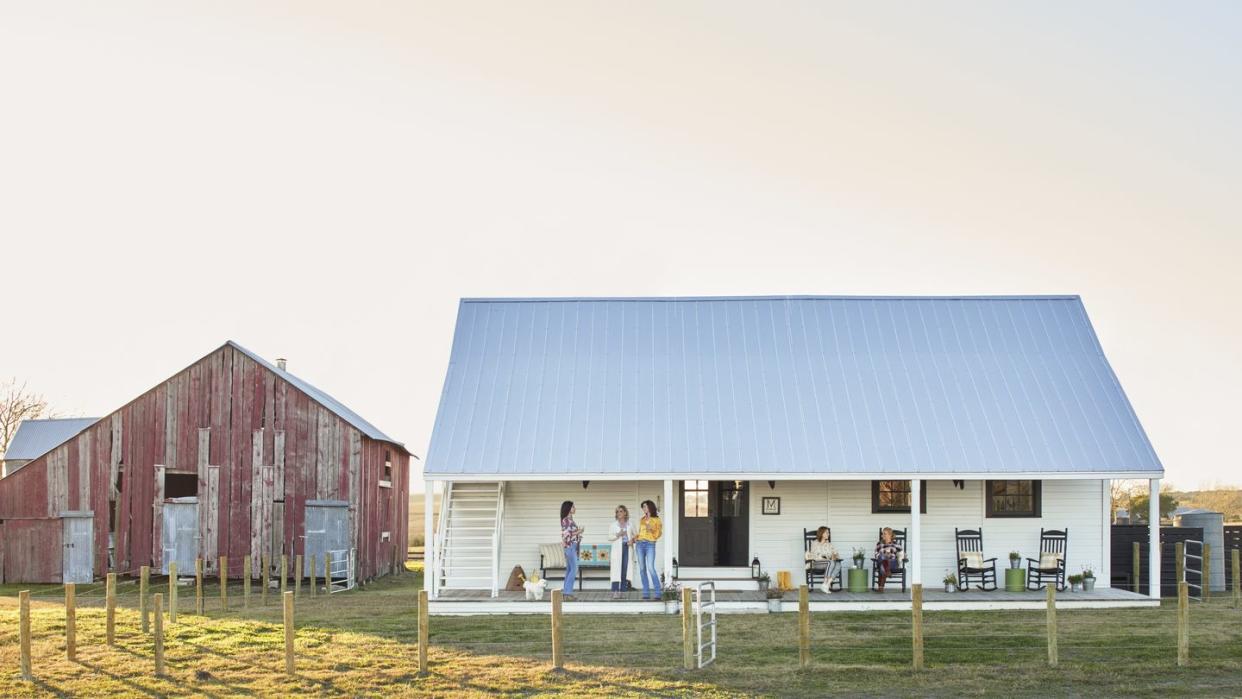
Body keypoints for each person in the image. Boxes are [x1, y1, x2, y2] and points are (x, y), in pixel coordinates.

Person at [608, 505, 637, 599]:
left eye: (621, 511)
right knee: (616, 570)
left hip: (627, 548)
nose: (619, 513)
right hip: (617, 549)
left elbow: (636, 536)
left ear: (625, 512)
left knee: (625, 570)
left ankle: (623, 592)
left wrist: (631, 541)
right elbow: (609, 537)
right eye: (617, 512)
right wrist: (618, 534)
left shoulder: (630, 524)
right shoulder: (613, 525)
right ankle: (614, 591)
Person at [635, 500, 662, 600]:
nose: (644, 509)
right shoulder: (642, 519)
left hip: (650, 544)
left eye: (645, 507)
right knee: (642, 569)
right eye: (643, 507)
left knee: (651, 568)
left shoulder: (656, 520)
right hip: (639, 544)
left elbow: (658, 534)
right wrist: (634, 539)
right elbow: (640, 533)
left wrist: (650, 528)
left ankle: (658, 593)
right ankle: (645, 593)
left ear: (650, 507)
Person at [805, 526, 842, 594]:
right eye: (827, 533)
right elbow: (813, 555)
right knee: (831, 562)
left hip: (828, 563)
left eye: (828, 533)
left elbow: (836, 553)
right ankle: (825, 583)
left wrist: (835, 556)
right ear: (822, 533)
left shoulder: (829, 544)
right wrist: (823, 557)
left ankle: (827, 584)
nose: (828, 534)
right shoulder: (815, 543)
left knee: (838, 564)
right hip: (816, 563)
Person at [560, 500, 583, 600]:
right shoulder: (566, 520)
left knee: (569, 570)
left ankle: (566, 594)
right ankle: (567, 593)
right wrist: (579, 531)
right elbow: (566, 535)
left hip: (572, 546)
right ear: (569, 508)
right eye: (573, 507)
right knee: (574, 569)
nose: (575, 508)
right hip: (569, 547)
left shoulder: (570, 520)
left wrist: (578, 537)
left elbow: (571, 534)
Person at [874, 527, 903, 593]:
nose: (882, 535)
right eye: (882, 534)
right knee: (882, 559)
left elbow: (902, 554)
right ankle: (887, 572)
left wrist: (899, 558)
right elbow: (876, 555)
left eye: (884, 534)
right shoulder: (879, 544)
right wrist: (885, 555)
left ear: (890, 535)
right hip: (882, 561)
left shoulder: (896, 544)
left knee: (883, 565)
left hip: (893, 563)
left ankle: (880, 588)